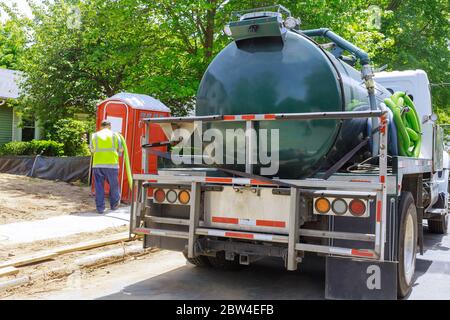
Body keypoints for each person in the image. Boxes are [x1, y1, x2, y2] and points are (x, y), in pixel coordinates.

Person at [90, 120, 124, 214]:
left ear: (101, 127)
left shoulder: (94, 135)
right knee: (114, 186)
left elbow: (92, 150)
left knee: (99, 186)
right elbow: (120, 150)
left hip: (97, 165)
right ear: (110, 126)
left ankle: (100, 208)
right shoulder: (115, 135)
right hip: (112, 165)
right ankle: (114, 205)